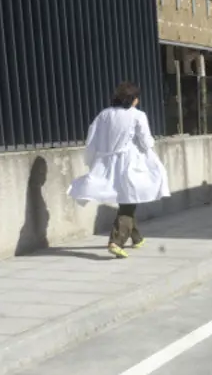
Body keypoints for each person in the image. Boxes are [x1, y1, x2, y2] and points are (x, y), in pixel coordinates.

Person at [68, 81, 170, 258]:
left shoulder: (103, 115)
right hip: (129, 162)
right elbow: (146, 141)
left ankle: (136, 238)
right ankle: (116, 241)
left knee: (127, 199)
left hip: (107, 161)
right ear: (133, 99)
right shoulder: (137, 115)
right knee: (129, 201)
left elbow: (91, 139)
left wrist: (92, 162)